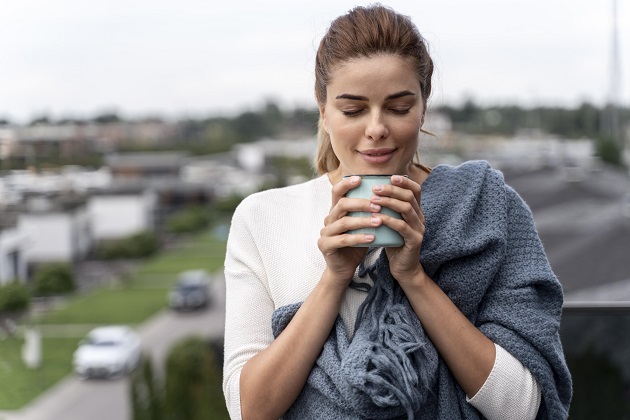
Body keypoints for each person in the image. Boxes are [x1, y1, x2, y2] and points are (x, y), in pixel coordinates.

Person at [223, 4, 572, 419]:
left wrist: (413, 277)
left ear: (424, 106)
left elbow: (523, 407)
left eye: (399, 107)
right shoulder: (262, 218)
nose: (376, 128)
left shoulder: (485, 208)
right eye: (352, 110)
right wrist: (334, 278)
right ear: (323, 111)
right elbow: (249, 410)